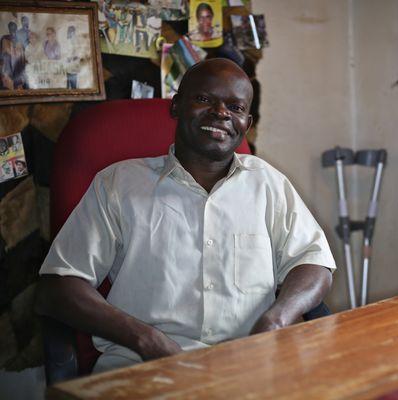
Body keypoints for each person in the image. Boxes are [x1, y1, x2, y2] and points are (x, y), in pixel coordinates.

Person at [36, 58, 336, 373]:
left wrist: (276, 320)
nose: (221, 113)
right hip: (145, 370)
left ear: (247, 122)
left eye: (235, 107)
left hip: (254, 365)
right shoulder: (118, 184)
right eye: (205, 99)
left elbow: (314, 263)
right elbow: (59, 285)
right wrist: (147, 339)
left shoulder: (267, 183)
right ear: (177, 106)